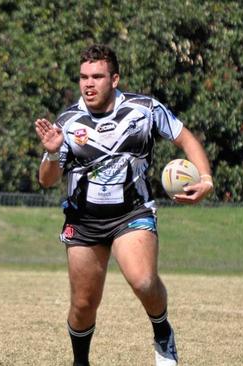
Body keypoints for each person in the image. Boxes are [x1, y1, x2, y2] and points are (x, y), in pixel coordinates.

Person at [34, 44, 213, 366]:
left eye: (97, 76)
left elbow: (185, 138)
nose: (89, 84)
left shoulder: (144, 109)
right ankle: (80, 362)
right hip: (83, 219)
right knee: (84, 304)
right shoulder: (68, 121)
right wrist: (50, 153)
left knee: (143, 280)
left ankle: (162, 334)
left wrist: (206, 179)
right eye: (83, 77)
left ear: (114, 79)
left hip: (132, 212)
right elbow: (47, 180)